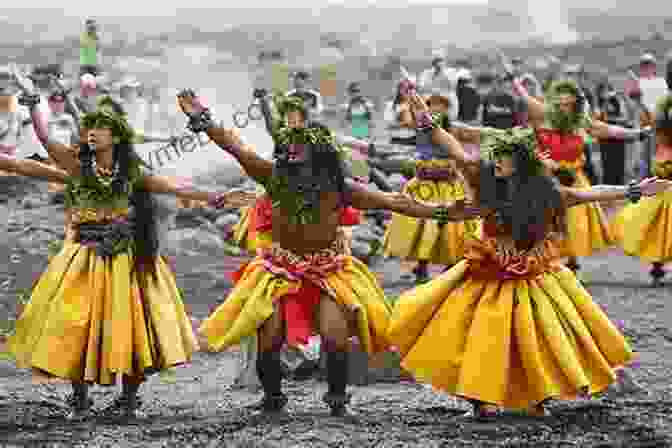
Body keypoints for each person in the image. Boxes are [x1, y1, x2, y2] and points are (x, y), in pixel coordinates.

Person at [176, 87, 472, 418]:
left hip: (328, 269)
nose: (291, 153)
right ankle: (273, 399)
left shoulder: (340, 187)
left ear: (319, 154)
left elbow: (393, 201)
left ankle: (337, 400)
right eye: (286, 148)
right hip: (280, 269)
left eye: (299, 148)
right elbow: (238, 149)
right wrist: (204, 121)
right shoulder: (273, 178)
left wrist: (444, 212)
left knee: (335, 337)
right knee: (269, 338)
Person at [388, 92, 671, 419]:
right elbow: (454, 148)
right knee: (477, 332)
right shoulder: (485, 183)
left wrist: (634, 191)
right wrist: (427, 122)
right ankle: (478, 400)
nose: (497, 162)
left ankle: (537, 396)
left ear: (522, 160)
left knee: (535, 335)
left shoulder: (547, 192)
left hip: (533, 272)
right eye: (495, 157)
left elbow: (587, 193)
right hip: (487, 268)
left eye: (504, 157)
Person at [6, 76, 256, 420]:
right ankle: (79, 399)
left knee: (133, 326)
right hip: (82, 258)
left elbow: (175, 186)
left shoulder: (133, 173)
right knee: (75, 324)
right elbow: (46, 138)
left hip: (129, 260)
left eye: (100, 129)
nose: (92, 133)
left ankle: (128, 400)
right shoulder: (77, 166)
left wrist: (216, 197)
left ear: (118, 137)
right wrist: (35, 107)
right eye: (89, 128)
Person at [500, 53, 653, 275]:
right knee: (546, 222)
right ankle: (543, 261)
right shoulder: (544, 114)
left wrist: (637, 133)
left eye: (569, 104)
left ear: (576, 105)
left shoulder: (581, 121)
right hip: (546, 178)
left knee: (574, 222)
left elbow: (609, 130)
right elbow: (524, 97)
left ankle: (570, 262)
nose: (564, 107)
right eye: (560, 103)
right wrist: (512, 78)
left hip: (575, 176)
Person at [384, 93, 481, 283]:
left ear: (447, 109)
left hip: (449, 183)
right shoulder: (419, 127)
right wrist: (406, 101)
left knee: (452, 228)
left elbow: (471, 140)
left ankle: (452, 265)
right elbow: (403, 119)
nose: (436, 108)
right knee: (421, 225)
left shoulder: (455, 129)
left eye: (441, 105)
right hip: (424, 184)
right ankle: (421, 266)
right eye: (432, 105)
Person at [612, 93, 672, 285]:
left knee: (660, 225)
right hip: (663, 177)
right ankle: (656, 267)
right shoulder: (663, 111)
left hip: (663, 169)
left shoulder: (662, 110)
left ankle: (657, 267)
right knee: (657, 225)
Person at [594, 82, 634, 185]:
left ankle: (620, 190)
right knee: (608, 169)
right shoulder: (599, 105)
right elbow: (600, 118)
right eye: (604, 91)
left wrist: (624, 97)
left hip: (618, 139)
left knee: (619, 168)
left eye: (609, 90)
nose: (607, 93)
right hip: (606, 141)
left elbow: (626, 118)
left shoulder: (617, 102)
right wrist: (606, 101)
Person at [0, 66, 34, 175]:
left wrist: (20, 82)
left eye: (6, 78)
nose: (3, 81)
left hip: (13, 155)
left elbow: (32, 97)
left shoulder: (17, 105)